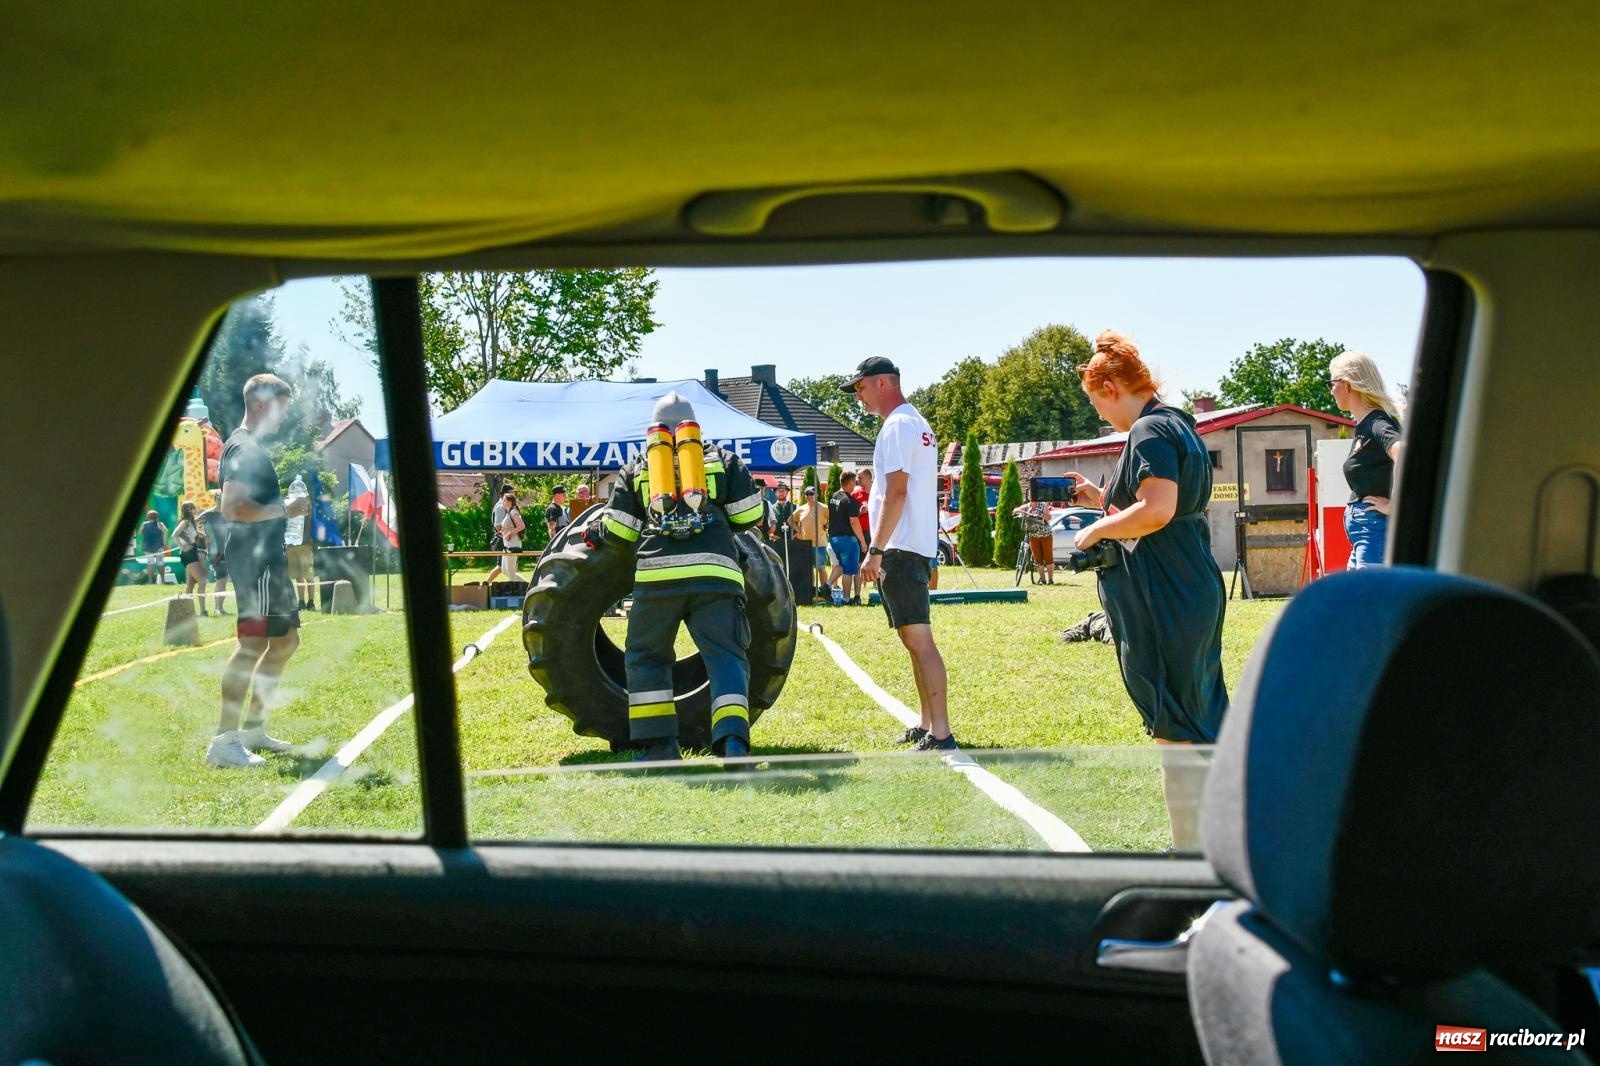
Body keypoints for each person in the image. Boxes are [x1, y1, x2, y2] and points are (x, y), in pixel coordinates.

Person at [1065, 330, 1228, 850]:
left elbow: (1156, 510)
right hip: (1190, 584)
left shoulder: (1149, 430)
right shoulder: (1179, 422)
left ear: (1111, 387)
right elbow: (1164, 507)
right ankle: (1213, 843)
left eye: (1097, 404)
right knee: (1200, 722)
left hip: (1166, 596)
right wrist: (1104, 501)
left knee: (1175, 733)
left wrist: (1094, 530)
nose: (1101, 417)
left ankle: (1188, 855)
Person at [588, 390, 766, 762]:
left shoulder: (638, 467)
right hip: (716, 576)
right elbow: (749, 516)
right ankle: (732, 743)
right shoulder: (722, 460)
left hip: (657, 578)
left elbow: (620, 532)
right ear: (694, 429)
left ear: (652, 430)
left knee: (647, 657)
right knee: (726, 658)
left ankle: (659, 747)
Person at [846, 357, 957, 751]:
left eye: (859, 387)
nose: (857, 396)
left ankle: (940, 732)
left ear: (881, 383)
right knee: (913, 639)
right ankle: (928, 722)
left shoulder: (896, 427)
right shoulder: (917, 423)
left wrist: (875, 550)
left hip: (901, 547)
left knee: (919, 639)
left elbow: (896, 492)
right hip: (914, 545)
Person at [210, 373, 308, 768]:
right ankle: (224, 742)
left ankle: (252, 729)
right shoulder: (243, 447)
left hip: (269, 560)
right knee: (250, 646)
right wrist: (286, 509)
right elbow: (231, 508)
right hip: (256, 564)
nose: (284, 417)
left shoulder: (251, 448)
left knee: (285, 643)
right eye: (282, 407)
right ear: (262, 404)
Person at [1329, 350, 1404, 569]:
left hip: (1373, 528)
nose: (1331, 391)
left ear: (1348, 385)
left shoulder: (1377, 422)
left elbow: (1402, 452)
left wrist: (1395, 505)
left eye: (1332, 383)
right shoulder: (1364, 425)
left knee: (1369, 598)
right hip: (1365, 530)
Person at [827, 470, 869, 605]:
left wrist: (858, 511)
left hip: (834, 537)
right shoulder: (850, 500)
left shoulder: (834, 496)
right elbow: (854, 522)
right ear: (850, 483)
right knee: (849, 570)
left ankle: (826, 586)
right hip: (847, 538)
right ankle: (846, 598)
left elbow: (841, 514)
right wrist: (862, 541)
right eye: (855, 482)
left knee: (842, 566)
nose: (856, 484)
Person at [171, 501, 209, 615]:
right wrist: (183, 546)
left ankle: (184, 612)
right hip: (188, 553)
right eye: (193, 508)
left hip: (192, 551)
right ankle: (202, 611)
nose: (195, 509)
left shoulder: (191, 521)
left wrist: (199, 534)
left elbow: (189, 535)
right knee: (202, 581)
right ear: (189, 510)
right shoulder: (186, 521)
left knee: (191, 584)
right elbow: (174, 535)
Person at [485, 491, 526, 584]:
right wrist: (502, 533)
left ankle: (516, 592)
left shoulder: (513, 512)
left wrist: (509, 534)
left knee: (511, 572)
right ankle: (526, 585)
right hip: (506, 545)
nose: (502, 502)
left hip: (513, 545)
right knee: (504, 570)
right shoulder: (508, 513)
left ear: (509, 502)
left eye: (504, 500)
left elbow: (522, 526)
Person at [1018, 488, 1056, 585]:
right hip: (1033, 536)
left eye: (1033, 494)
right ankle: (1042, 579)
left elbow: (1049, 517)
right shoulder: (1027, 506)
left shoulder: (1042, 506)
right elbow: (1015, 510)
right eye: (1030, 494)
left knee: (1048, 558)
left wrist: (1041, 515)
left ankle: (1050, 579)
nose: (1031, 496)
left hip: (1045, 535)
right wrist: (1023, 513)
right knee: (1038, 559)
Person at [197, 506, 231, 615]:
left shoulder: (228, 512)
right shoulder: (208, 514)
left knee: (223, 579)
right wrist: (202, 535)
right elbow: (191, 523)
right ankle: (218, 609)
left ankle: (220, 608)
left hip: (226, 550)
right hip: (215, 551)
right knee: (222, 578)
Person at [139, 509, 169, 584]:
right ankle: (163, 580)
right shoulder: (160, 524)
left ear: (148, 517)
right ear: (157, 517)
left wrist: (146, 535)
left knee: (150, 564)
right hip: (159, 547)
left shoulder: (144, 524)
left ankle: (150, 581)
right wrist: (164, 542)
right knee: (160, 563)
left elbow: (140, 533)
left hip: (148, 547)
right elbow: (166, 531)